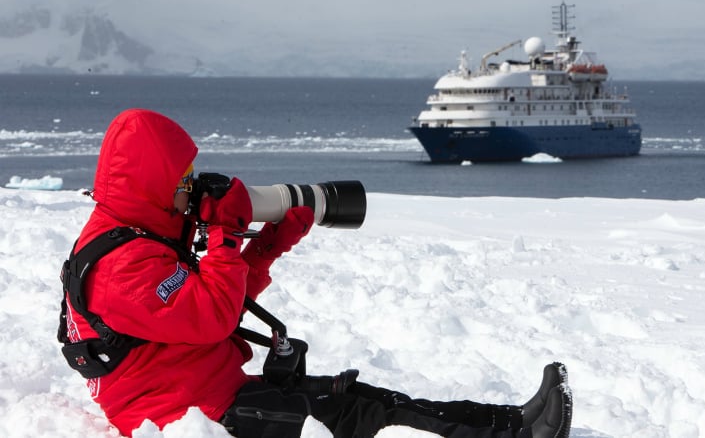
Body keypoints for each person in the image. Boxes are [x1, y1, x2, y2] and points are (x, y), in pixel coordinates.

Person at [58, 109, 573, 437]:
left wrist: (263, 248)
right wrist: (225, 234)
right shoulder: (121, 266)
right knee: (357, 420)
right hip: (186, 416)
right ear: (151, 183)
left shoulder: (142, 238)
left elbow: (208, 305)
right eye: (183, 178)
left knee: (359, 397)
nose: (191, 188)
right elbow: (212, 318)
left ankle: (511, 424)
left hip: (205, 390)